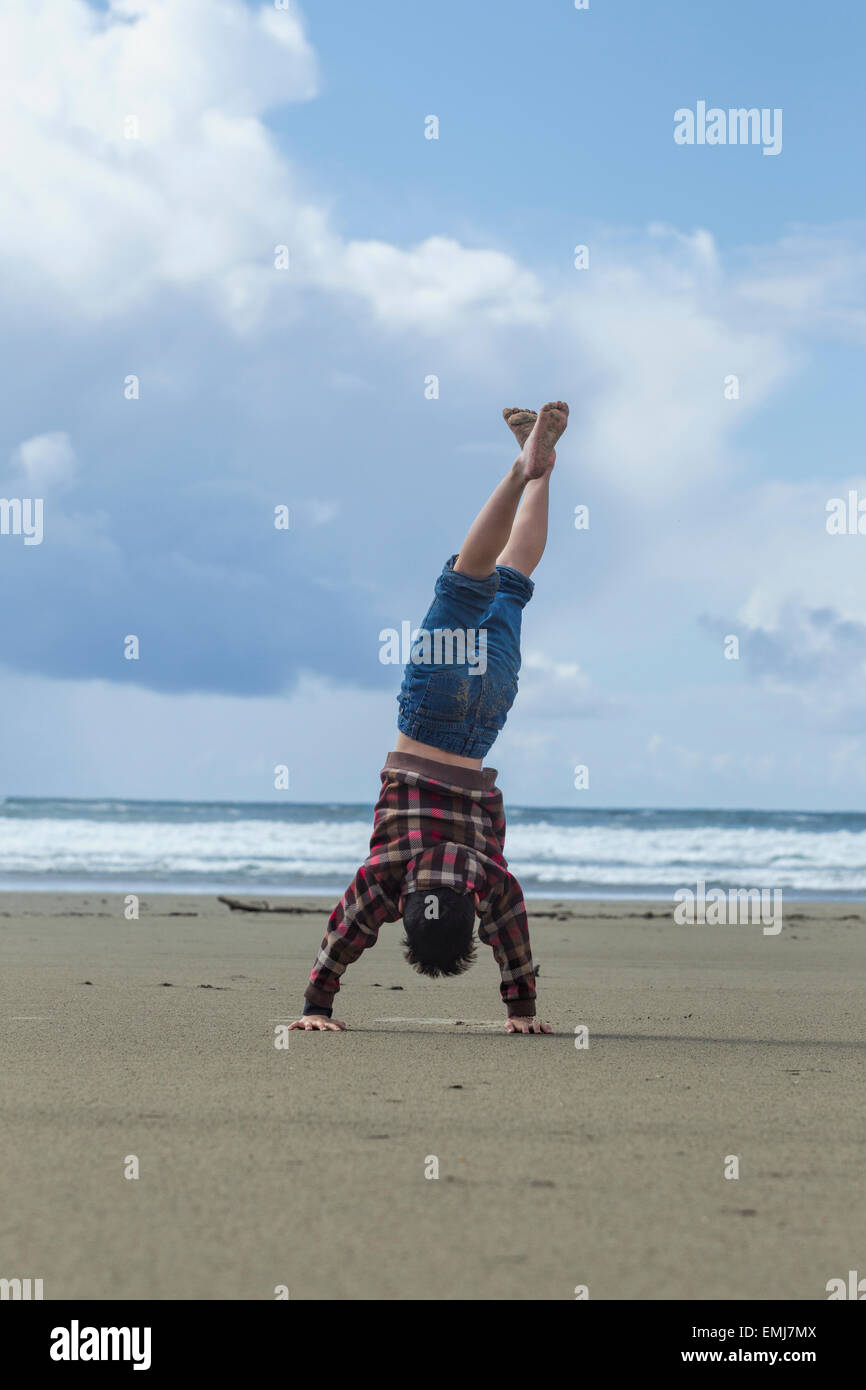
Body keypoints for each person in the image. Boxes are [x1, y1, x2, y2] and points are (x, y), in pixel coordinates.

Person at [289, 401, 570, 1035]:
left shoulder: (487, 877)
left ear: (469, 907)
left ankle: (542, 470)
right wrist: (314, 1007)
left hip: (482, 718)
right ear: (409, 905)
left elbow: (514, 930)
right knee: (468, 580)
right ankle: (521, 469)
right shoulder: (387, 876)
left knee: (514, 578)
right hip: (430, 716)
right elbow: (344, 931)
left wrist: (521, 1009)